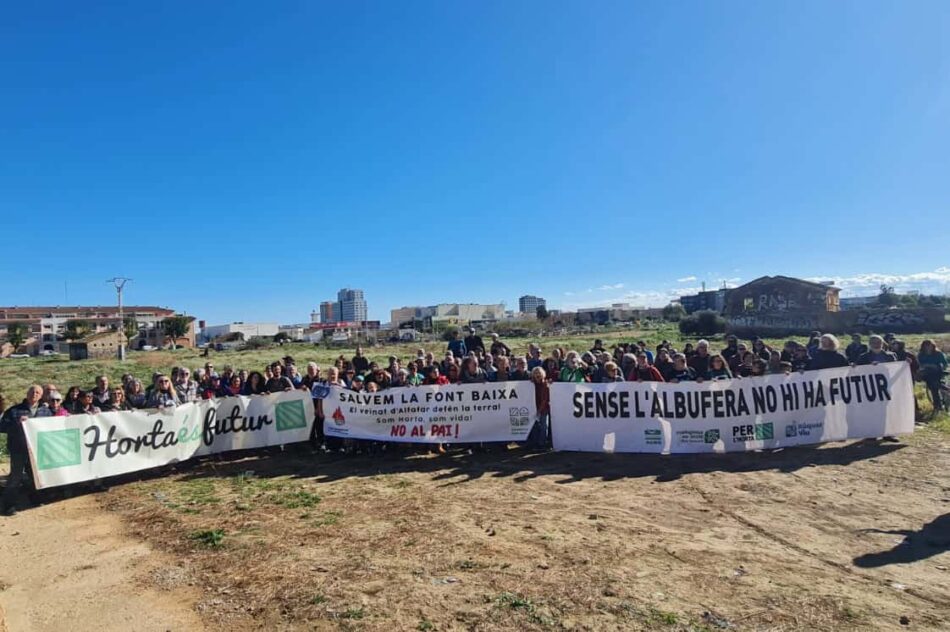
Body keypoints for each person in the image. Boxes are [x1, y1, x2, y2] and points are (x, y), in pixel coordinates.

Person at [0, 385, 52, 515]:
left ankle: (35, 499)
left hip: (37, 450)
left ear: (41, 396)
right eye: (32, 391)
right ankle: (8, 506)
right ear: (27, 393)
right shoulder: (14, 411)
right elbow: (2, 426)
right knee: (15, 477)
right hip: (18, 449)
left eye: (37, 392)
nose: (34, 394)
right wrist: (17, 422)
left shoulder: (46, 411)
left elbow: (52, 426)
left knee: (35, 476)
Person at [918, 339, 948, 413]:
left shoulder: (938, 354)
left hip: (937, 372)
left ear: (932, 346)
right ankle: (943, 388)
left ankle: (937, 406)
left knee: (934, 388)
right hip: (926, 373)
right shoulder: (921, 355)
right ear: (923, 347)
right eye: (926, 346)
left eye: (929, 346)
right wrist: (926, 366)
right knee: (933, 385)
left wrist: (936, 366)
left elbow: (945, 364)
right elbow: (919, 364)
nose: (928, 348)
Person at [528, 367, 550, 449]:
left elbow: (545, 399)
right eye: (535, 373)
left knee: (544, 427)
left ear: (542, 374)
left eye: (539, 373)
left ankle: (542, 444)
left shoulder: (546, 384)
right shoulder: (531, 384)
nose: (537, 375)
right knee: (535, 427)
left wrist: (539, 410)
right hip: (533, 409)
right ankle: (535, 443)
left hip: (543, 409)